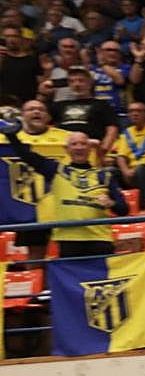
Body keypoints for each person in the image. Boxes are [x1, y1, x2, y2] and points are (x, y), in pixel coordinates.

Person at [1, 126, 128, 257]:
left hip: (100, 239)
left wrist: (111, 203)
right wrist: (12, 136)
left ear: (90, 148)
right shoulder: (56, 170)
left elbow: (124, 210)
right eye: (74, 144)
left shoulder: (106, 175)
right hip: (69, 240)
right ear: (67, 150)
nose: (79, 147)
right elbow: (27, 156)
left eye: (83, 144)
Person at [3, 99, 70, 260]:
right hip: (27, 206)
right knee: (35, 256)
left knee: (66, 254)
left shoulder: (66, 138)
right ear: (22, 115)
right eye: (31, 109)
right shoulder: (6, 138)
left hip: (60, 204)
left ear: (48, 116)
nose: (36, 112)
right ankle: (37, 284)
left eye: (41, 109)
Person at [50, 66, 119, 155]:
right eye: (72, 81)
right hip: (63, 148)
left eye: (81, 80)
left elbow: (112, 129)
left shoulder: (101, 104)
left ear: (89, 83)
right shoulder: (59, 105)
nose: (76, 84)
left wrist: (103, 150)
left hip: (92, 148)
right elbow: (46, 126)